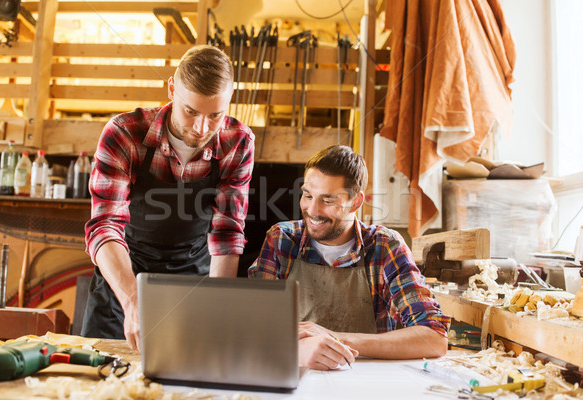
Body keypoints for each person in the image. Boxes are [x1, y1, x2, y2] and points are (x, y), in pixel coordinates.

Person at [82, 45, 255, 350]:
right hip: (122, 283)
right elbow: (105, 226)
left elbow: (227, 232)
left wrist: (216, 307)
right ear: (172, 89)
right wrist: (132, 301)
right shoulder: (125, 133)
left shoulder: (238, 142)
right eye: (191, 111)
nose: (202, 129)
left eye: (215, 115)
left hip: (193, 283)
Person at [249, 145, 450, 370]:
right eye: (307, 195)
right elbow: (253, 326)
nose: (312, 210)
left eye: (327, 200)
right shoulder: (282, 240)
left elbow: (434, 338)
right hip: (298, 375)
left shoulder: (385, 246)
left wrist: (333, 338)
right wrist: (293, 348)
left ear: (356, 202)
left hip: (368, 379)